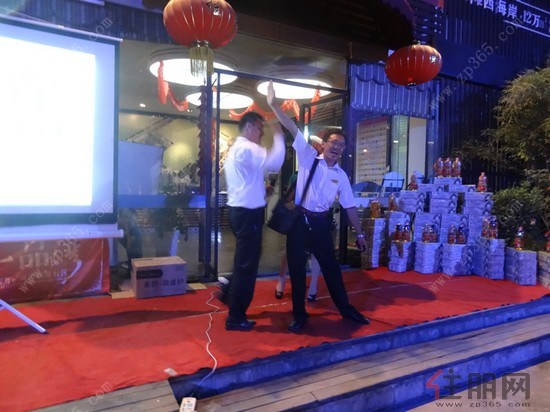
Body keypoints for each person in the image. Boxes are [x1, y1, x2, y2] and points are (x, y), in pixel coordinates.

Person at [267, 81, 370, 333]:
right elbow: (292, 127)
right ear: (323, 144)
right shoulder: (308, 157)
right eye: (333, 142)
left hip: (322, 224)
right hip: (299, 223)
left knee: (332, 269)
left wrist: (359, 234)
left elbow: (350, 207)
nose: (337, 147)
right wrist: (273, 105)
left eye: (341, 145)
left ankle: (346, 309)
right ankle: (299, 315)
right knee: (297, 271)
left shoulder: (341, 176)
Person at [222, 111, 285, 331]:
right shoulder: (248, 148)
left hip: (240, 210)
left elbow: (247, 179)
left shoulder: (237, 149)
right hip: (248, 213)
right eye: (260, 128)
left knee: (244, 260)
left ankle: (227, 292)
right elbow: (275, 162)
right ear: (249, 127)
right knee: (247, 265)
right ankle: (236, 317)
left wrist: (260, 187)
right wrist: (278, 134)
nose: (261, 133)